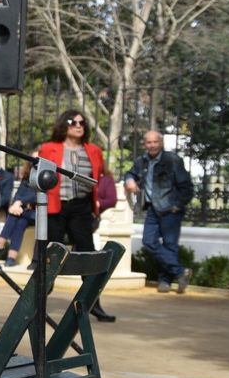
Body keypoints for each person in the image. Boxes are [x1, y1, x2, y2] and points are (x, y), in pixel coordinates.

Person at [36, 108, 114, 321]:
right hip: (56, 208)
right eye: (73, 122)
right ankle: (36, 304)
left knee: (88, 256)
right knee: (51, 257)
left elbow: (100, 177)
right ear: (64, 125)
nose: (79, 125)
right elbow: (39, 176)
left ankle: (94, 304)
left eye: (82, 122)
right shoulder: (49, 148)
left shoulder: (94, 150)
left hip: (81, 208)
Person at [125, 130, 195, 293]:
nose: (152, 145)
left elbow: (187, 187)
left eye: (155, 142)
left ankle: (165, 281)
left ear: (161, 143)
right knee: (148, 242)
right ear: (145, 144)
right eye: (149, 142)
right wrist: (129, 180)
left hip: (171, 209)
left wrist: (177, 205)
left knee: (170, 246)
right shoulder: (141, 161)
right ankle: (180, 272)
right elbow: (130, 173)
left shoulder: (173, 160)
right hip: (152, 209)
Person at [0, 160, 38, 266]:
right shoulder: (26, 178)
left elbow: (36, 196)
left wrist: (19, 202)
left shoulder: (43, 179)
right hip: (24, 212)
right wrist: (16, 204)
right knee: (20, 222)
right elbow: (18, 193)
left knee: (15, 215)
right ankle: (11, 258)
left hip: (36, 214)